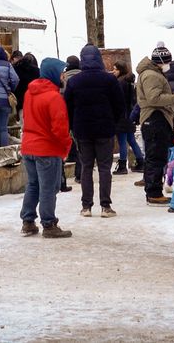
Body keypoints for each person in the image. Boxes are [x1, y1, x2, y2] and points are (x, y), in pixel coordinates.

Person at [64, 45, 124, 218]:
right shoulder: (109, 80)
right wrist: (113, 122)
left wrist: (73, 126)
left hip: (82, 130)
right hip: (105, 130)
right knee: (105, 168)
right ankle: (105, 206)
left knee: (86, 167)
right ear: (98, 58)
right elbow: (119, 106)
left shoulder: (74, 81)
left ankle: (86, 206)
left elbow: (67, 107)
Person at [19, 57, 73, 239]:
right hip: (47, 149)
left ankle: (28, 221)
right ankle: (49, 224)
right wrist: (67, 145)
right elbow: (60, 128)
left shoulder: (29, 93)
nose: (63, 76)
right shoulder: (54, 97)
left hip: (29, 146)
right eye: (61, 73)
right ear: (53, 74)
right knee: (49, 187)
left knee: (33, 185)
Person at [135, 42, 174, 206]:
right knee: (156, 156)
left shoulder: (151, 73)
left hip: (155, 118)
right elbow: (153, 98)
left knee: (156, 155)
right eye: (167, 62)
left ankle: (154, 191)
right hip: (155, 118)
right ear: (161, 62)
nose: (168, 66)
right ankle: (154, 193)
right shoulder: (152, 75)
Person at [111, 61, 144, 175]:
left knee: (122, 142)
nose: (113, 71)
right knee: (131, 140)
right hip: (130, 115)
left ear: (120, 70)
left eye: (115, 69)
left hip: (121, 116)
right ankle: (141, 162)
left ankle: (122, 165)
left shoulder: (119, 82)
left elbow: (117, 100)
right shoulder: (130, 82)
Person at [62, 55, 82, 184]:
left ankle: (71, 155)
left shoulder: (63, 79)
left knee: (69, 139)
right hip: (82, 114)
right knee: (82, 145)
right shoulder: (84, 76)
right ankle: (80, 174)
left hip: (67, 114)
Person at [13, 52, 40, 122]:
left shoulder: (15, 69)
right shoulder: (37, 71)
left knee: (23, 124)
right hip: (34, 102)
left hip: (20, 102)